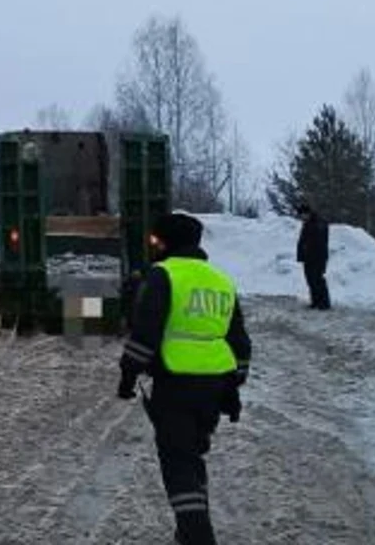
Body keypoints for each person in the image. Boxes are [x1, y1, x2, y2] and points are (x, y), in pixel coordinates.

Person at [118, 212, 251, 545]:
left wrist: (128, 376)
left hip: (175, 382)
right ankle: (189, 531)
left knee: (178, 462)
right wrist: (235, 384)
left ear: (163, 242)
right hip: (215, 387)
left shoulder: (163, 275)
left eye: (156, 240)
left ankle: (196, 536)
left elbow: (145, 333)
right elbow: (239, 340)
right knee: (191, 456)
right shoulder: (220, 280)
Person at [296, 202, 331, 310]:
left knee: (318, 280)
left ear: (307, 213)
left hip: (318, 257)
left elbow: (319, 242)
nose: (301, 218)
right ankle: (315, 301)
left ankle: (324, 303)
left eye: (302, 215)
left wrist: (308, 249)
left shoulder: (319, 223)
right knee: (310, 280)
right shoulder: (308, 223)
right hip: (308, 257)